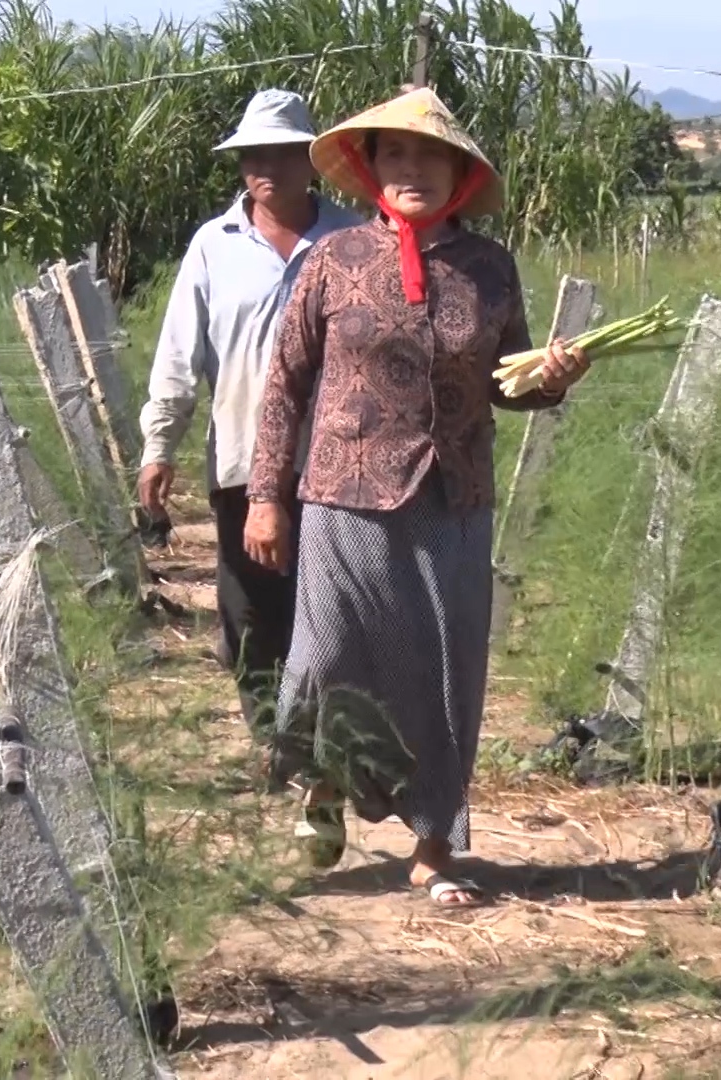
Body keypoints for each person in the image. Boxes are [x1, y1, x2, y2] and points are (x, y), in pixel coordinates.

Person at [243, 87, 590, 907]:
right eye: (395, 155)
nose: (412, 170)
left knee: (444, 670)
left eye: (429, 156)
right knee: (328, 657)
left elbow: (509, 383)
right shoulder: (334, 259)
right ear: (370, 168)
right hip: (342, 490)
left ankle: (435, 843)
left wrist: (551, 380)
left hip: (452, 496)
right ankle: (325, 780)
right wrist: (267, 497)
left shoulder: (489, 268)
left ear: (460, 173)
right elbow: (284, 386)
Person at [138, 88, 364, 733]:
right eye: (251, 155)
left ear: (311, 161)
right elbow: (180, 356)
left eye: (281, 154)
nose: (265, 167)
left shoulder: (352, 239)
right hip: (240, 454)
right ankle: (270, 734)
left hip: (338, 459)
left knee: (325, 607)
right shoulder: (215, 245)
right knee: (248, 610)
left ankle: (319, 742)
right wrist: (159, 448)